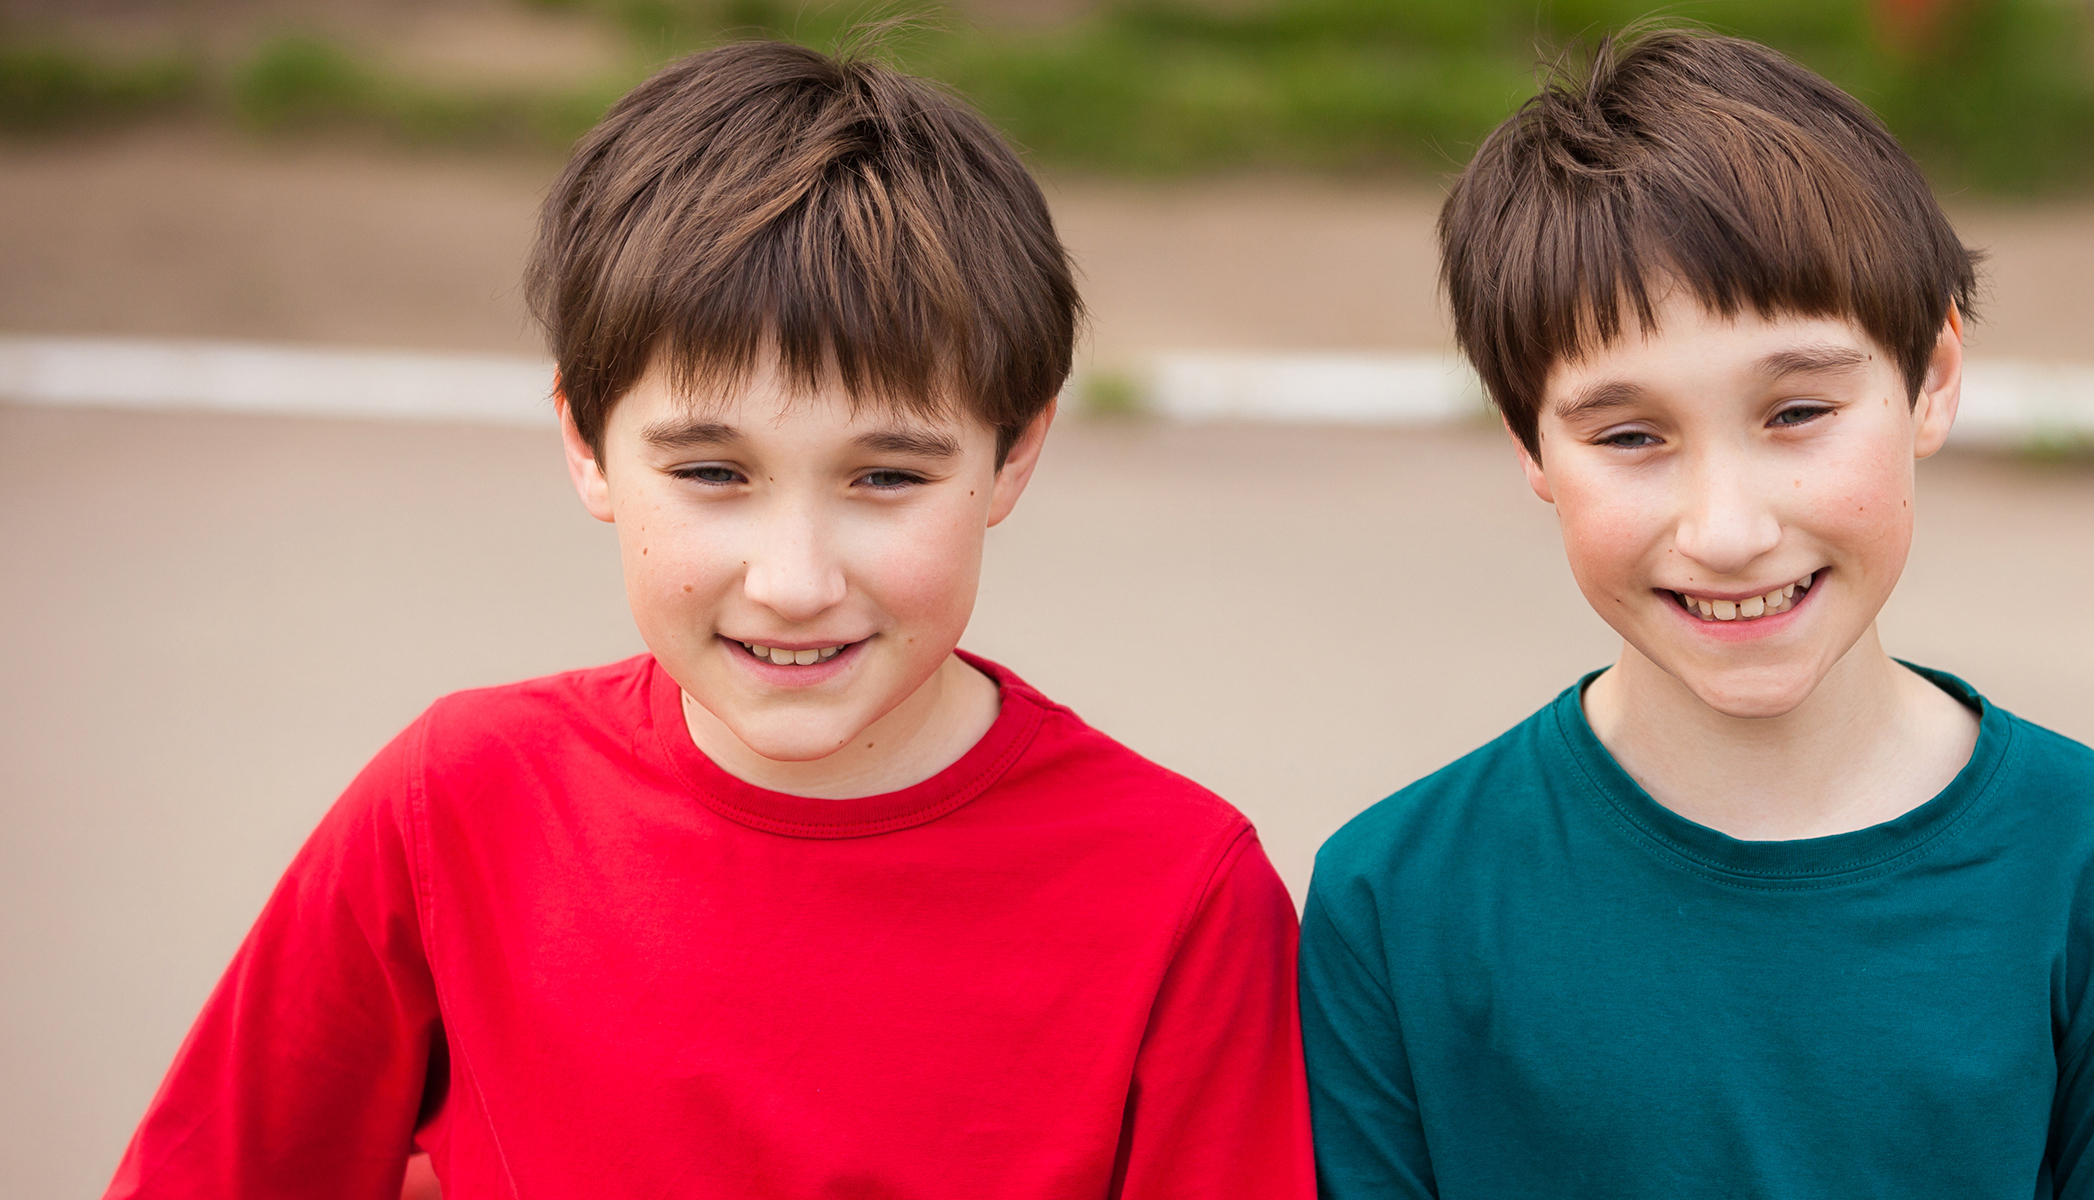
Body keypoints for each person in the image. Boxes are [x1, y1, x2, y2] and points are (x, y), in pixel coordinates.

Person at [106, 41, 1313, 1199]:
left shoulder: (1182, 898)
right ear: (586, 445)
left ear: (1015, 455)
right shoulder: (454, 807)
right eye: (712, 473)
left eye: (886, 477)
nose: (793, 580)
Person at [1299, 28, 2094, 1200]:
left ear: (1933, 379)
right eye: (1629, 437)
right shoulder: (1398, 899)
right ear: (1529, 447)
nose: (1728, 528)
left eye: (1797, 412)